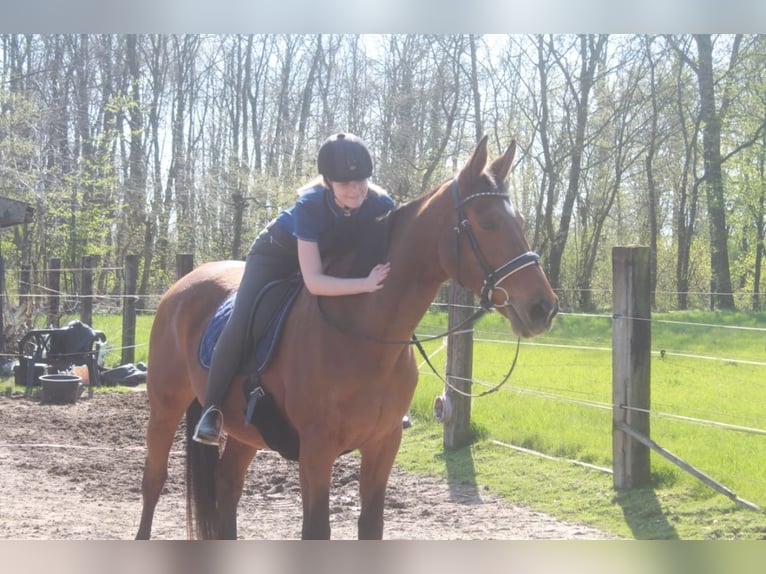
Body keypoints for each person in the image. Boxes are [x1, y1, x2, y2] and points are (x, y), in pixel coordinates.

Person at [193, 132, 395, 445]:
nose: (356, 191)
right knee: (243, 320)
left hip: (325, 255)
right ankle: (212, 410)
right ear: (327, 182)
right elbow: (313, 282)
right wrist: (364, 284)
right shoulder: (311, 205)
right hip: (275, 256)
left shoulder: (379, 204)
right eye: (345, 184)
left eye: (362, 182)